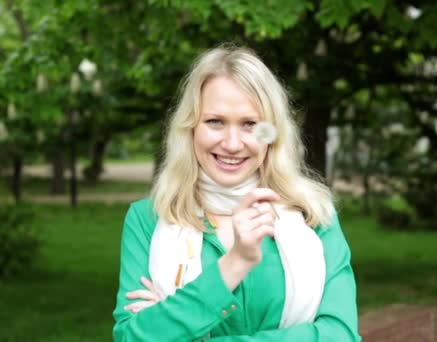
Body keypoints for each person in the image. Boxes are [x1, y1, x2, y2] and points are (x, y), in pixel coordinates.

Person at [112, 44, 360, 341]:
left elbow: (341, 335)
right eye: (215, 122)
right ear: (191, 127)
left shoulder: (314, 215)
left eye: (250, 125)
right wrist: (235, 263)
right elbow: (131, 337)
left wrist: (178, 328)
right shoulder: (148, 219)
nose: (232, 143)